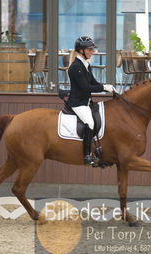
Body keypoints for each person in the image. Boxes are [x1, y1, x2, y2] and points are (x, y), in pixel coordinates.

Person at [67, 36, 115, 165]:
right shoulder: (75, 67)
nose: (92, 52)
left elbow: (93, 82)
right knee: (90, 123)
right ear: (81, 50)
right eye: (89, 49)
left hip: (86, 101)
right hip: (78, 103)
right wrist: (103, 87)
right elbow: (85, 87)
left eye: (92, 49)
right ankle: (87, 155)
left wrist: (107, 88)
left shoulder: (86, 65)